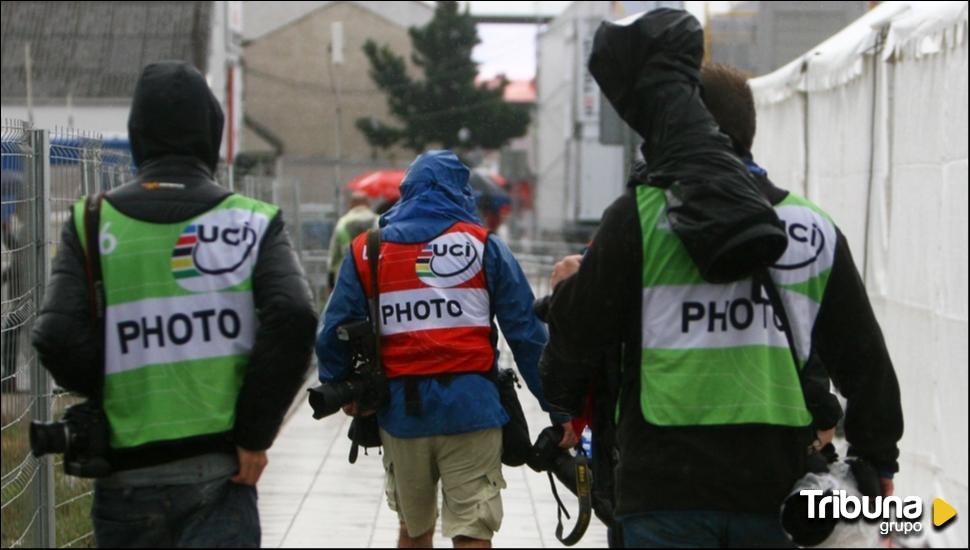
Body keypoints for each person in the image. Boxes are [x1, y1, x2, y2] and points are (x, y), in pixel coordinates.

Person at [540, 41, 904, 549]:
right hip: (774, 491)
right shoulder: (812, 227)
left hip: (662, 490)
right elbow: (865, 359)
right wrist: (876, 460)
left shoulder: (638, 218)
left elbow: (575, 348)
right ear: (748, 131)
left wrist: (565, 294)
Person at [31, 61, 317, 548]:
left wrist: (116, 383)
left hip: (127, 480)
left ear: (137, 135)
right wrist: (255, 433)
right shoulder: (252, 222)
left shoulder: (92, 222)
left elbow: (54, 335)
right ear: (212, 132)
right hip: (221, 474)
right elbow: (294, 317)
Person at [317, 150, 574, 548]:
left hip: (402, 415)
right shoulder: (484, 247)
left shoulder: (368, 250)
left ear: (408, 192)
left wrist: (340, 387)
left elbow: (331, 330)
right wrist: (562, 411)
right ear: (460, 192)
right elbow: (527, 336)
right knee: (473, 529)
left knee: (413, 530)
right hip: (472, 411)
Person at [327, 191, 379, 289]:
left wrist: (331, 277)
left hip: (348, 276)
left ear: (351, 205)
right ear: (368, 204)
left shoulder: (343, 223)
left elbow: (334, 255)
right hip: (374, 276)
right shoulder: (378, 221)